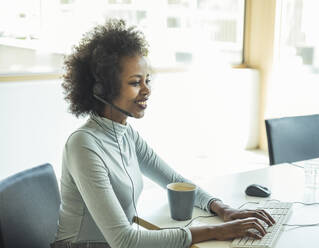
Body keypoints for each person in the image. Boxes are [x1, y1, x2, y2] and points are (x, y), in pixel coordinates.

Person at [51, 19, 275, 248]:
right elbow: (125, 241)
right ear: (103, 89)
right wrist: (217, 231)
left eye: (147, 80)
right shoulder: (83, 145)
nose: (147, 90)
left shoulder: (126, 135)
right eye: (135, 82)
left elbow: (175, 181)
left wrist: (223, 209)